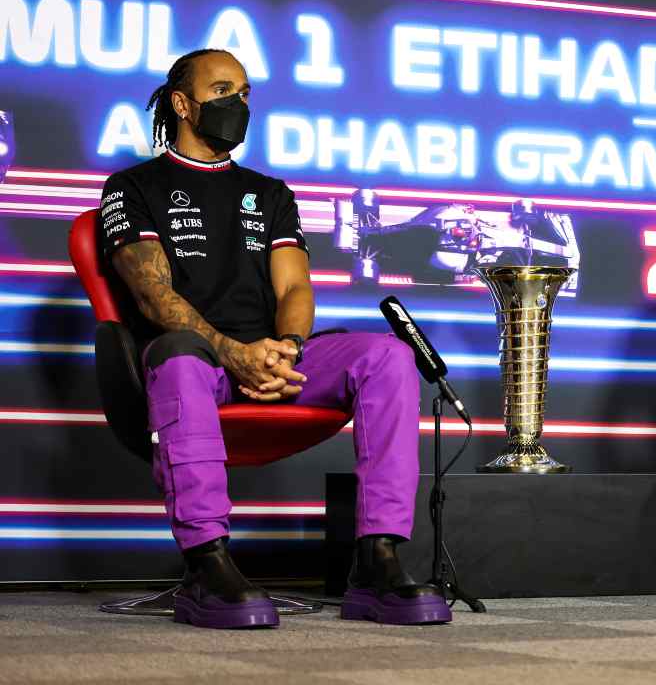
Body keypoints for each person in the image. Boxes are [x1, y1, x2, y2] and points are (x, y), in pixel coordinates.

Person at [99, 48, 451, 629]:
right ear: (183, 104)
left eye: (244, 92)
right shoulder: (132, 187)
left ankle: (377, 559)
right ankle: (206, 564)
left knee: (388, 356)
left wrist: (284, 349)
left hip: (271, 361)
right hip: (196, 363)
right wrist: (233, 353)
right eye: (221, 91)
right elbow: (152, 297)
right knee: (181, 355)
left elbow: (295, 289)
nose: (237, 104)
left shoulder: (269, 193)